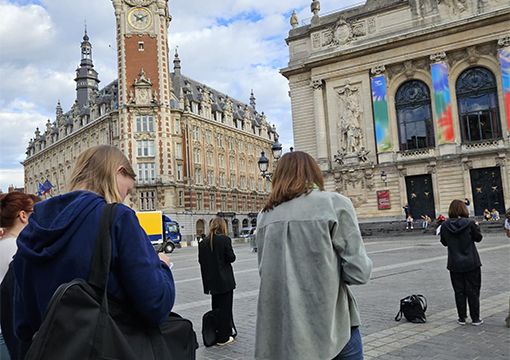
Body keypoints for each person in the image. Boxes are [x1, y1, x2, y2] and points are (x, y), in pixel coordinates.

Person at [12, 145, 175, 357]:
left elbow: (22, 326)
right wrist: (163, 265)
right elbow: (156, 306)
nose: (124, 198)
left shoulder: (33, 228)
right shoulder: (117, 218)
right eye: (127, 191)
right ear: (118, 172)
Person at [254, 151, 372, 360]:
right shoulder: (335, 204)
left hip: (284, 331)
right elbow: (359, 273)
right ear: (314, 173)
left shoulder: (265, 215)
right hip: (333, 327)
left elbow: (265, 271)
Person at [0, 192, 41, 360]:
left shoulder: (4, 244)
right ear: (23, 216)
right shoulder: (18, 249)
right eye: (35, 213)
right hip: (8, 332)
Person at [440, 199, 483, 326]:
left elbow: (444, 242)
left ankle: (461, 318)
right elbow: (478, 238)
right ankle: (475, 318)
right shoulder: (470, 223)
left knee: (459, 290)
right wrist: (477, 226)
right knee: (473, 290)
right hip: (471, 262)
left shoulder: (445, 225)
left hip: (454, 263)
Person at [198, 217, 236, 346]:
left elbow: (201, 261)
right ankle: (223, 337)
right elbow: (231, 258)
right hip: (225, 281)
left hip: (211, 282)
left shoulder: (203, 242)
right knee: (225, 309)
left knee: (216, 308)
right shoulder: (225, 240)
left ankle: (216, 332)